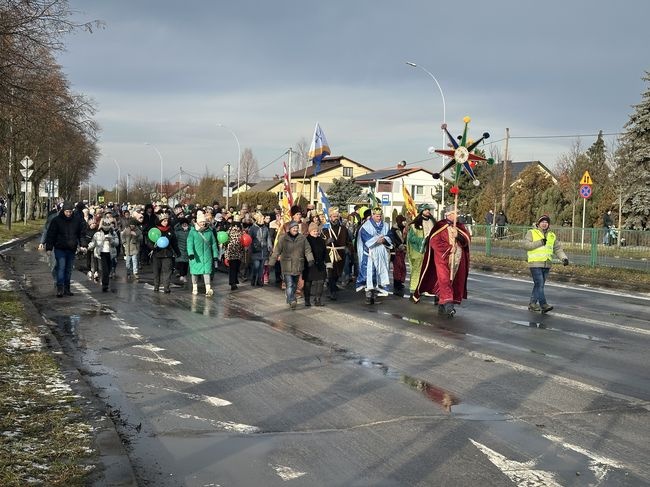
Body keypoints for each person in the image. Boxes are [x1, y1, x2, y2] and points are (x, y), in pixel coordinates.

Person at [414, 205, 471, 317]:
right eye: (455, 213)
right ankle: (449, 305)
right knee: (444, 280)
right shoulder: (440, 225)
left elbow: (466, 241)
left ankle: (442, 304)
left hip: (457, 260)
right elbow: (434, 241)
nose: (457, 216)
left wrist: (458, 236)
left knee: (452, 281)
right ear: (449, 214)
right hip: (442, 258)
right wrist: (449, 248)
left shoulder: (459, 226)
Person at [523, 215, 569, 313]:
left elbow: (557, 249)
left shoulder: (551, 235)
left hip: (547, 264)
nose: (544, 224)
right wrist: (540, 242)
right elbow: (526, 245)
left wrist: (564, 258)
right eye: (542, 222)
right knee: (539, 284)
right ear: (538, 223)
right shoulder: (531, 232)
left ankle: (532, 304)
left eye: (546, 222)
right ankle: (543, 304)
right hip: (535, 263)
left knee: (539, 285)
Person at [45, 201, 86, 297]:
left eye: (70, 212)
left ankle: (67, 288)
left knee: (68, 269)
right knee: (61, 267)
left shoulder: (76, 220)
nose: (69, 213)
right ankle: (60, 288)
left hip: (71, 248)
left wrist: (83, 245)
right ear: (63, 211)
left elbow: (81, 234)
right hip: (60, 248)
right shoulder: (56, 220)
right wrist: (49, 248)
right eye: (67, 211)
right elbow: (51, 235)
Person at [270, 220, 314, 309]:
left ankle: (290, 297)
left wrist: (310, 259)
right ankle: (292, 300)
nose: (295, 229)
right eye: (294, 228)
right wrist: (271, 263)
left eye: (297, 228)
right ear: (289, 229)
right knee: (289, 284)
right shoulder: (283, 238)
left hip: (298, 264)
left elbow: (307, 250)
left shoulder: (302, 238)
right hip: (287, 265)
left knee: (294, 284)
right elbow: (277, 251)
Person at [356, 207, 393, 305]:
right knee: (369, 274)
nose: (379, 218)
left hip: (381, 254)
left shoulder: (385, 225)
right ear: (372, 215)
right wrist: (377, 239)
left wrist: (384, 239)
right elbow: (365, 238)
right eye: (377, 216)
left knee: (379, 274)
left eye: (380, 216)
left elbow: (389, 235)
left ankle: (375, 295)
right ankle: (368, 296)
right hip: (370, 254)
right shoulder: (366, 226)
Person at [406, 203, 436, 301]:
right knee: (417, 271)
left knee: (430, 271)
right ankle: (413, 290)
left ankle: (426, 289)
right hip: (419, 251)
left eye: (429, 209)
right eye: (426, 209)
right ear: (421, 211)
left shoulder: (433, 222)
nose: (428, 211)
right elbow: (411, 238)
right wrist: (424, 240)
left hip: (431, 250)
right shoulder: (415, 224)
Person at [321, 206, 351, 300]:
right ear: (330, 217)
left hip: (340, 254)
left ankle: (332, 286)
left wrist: (348, 248)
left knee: (338, 273)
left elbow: (349, 241)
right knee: (330, 272)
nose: (336, 218)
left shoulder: (343, 229)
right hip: (329, 254)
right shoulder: (325, 229)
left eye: (337, 216)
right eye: (334, 216)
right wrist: (326, 242)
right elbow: (320, 242)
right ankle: (332, 291)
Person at [146, 212, 181, 293]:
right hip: (156, 254)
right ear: (160, 221)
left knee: (167, 271)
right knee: (156, 271)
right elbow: (149, 241)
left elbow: (174, 242)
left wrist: (177, 252)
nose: (166, 222)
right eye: (164, 221)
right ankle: (156, 286)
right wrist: (152, 246)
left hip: (167, 254)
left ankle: (166, 287)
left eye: (167, 221)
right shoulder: (155, 230)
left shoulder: (170, 230)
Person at [187, 210, 219, 296]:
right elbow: (189, 243)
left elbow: (213, 244)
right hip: (195, 256)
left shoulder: (209, 231)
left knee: (207, 272)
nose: (203, 223)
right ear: (197, 221)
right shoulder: (192, 232)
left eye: (204, 222)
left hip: (207, 256)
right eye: (201, 222)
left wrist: (215, 255)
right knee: (195, 272)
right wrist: (190, 253)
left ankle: (208, 289)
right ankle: (194, 288)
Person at [88, 216, 119, 292]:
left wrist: (111, 240)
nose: (106, 228)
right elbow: (93, 243)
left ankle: (105, 281)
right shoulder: (97, 234)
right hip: (102, 253)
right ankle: (105, 285)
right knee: (104, 269)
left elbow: (117, 243)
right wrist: (87, 248)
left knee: (108, 269)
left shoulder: (113, 233)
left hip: (110, 253)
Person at [304, 222, 328, 306]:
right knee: (308, 282)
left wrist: (328, 262)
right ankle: (307, 300)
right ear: (310, 231)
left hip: (320, 264)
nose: (316, 232)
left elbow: (325, 252)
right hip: (309, 264)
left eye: (317, 231)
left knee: (321, 281)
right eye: (314, 231)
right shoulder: (306, 240)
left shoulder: (321, 240)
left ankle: (317, 299)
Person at [248, 213, 273, 287]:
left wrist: (270, 247)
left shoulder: (265, 228)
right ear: (258, 219)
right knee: (256, 266)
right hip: (255, 250)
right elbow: (249, 239)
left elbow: (268, 238)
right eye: (262, 218)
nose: (263, 220)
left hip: (263, 250)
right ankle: (253, 279)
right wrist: (250, 248)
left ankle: (259, 280)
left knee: (261, 267)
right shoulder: (253, 228)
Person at [224, 215, 244, 290]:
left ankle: (234, 281)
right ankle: (233, 283)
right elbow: (225, 241)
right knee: (233, 268)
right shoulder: (230, 231)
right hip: (232, 252)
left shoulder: (241, 231)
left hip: (237, 252)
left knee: (235, 268)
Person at [390, 215, 407, 297]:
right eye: (403, 221)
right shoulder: (394, 230)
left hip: (402, 251)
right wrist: (400, 245)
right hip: (396, 251)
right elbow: (393, 240)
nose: (404, 223)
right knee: (397, 267)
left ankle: (400, 282)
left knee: (402, 267)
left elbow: (405, 238)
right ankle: (397, 284)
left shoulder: (404, 229)